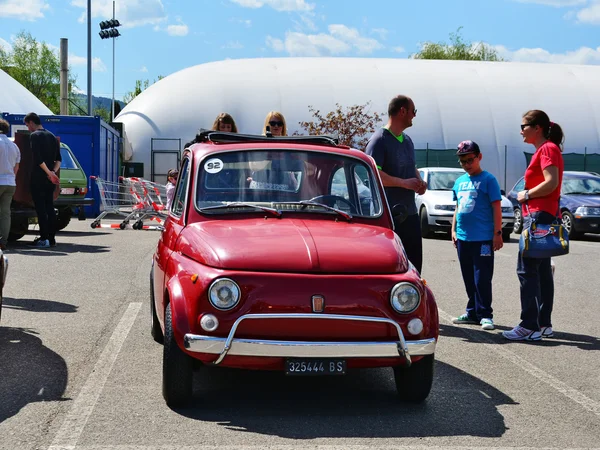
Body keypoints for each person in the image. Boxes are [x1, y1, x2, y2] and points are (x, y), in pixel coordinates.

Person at [503, 110, 565, 341]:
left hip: (538, 216)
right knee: (541, 271)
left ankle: (529, 325)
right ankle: (543, 324)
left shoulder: (547, 149)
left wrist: (526, 194)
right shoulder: (547, 149)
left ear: (537, 128)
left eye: (524, 126)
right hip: (543, 215)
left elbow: (552, 182)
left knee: (526, 269)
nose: (521, 130)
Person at [365, 95, 426, 273]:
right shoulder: (379, 140)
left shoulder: (407, 141)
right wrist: (404, 183)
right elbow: (373, 174)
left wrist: (419, 182)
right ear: (402, 111)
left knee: (415, 266)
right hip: (388, 216)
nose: (414, 115)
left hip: (410, 214)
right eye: (413, 111)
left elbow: (411, 166)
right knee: (389, 266)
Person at [450, 140, 503, 331]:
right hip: (463, 238)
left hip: (482, 238)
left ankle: (485, 314)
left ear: (479, 157)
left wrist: (497, 233)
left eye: (470, 160)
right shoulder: (459, 182)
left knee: (482, 277)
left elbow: (496, 207)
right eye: (462, 161)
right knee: (468, 277)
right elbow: (457, 208)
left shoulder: (489, 180)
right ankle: (472, 312)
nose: (466, 165)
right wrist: (454, 229)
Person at [24, 112, 61, 248]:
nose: (28, 128)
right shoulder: (51, 136)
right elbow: (58, 159)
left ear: (32, 122)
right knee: (49, 207)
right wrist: (52, 173)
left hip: (38, 177)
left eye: (28, 125)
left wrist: (47, 172)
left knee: (41, 209)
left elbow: (38, 159)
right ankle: (51, 238)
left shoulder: (34, 136)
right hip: (50, 179)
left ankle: (44, 238)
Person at [0, 119, 21, 251]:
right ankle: (3, 242)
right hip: (10, 183)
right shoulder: (15, 146)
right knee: (5, 213)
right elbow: (16, 169)